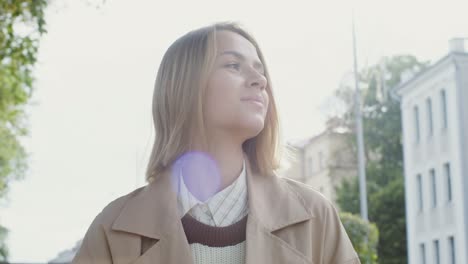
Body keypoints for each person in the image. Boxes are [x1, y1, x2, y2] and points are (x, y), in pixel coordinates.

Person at [72, 22, 360, 264]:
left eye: (259, 70)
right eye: (234, 65)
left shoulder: (316, 218)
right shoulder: (113, 231)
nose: (260, 80)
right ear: (184, 88)